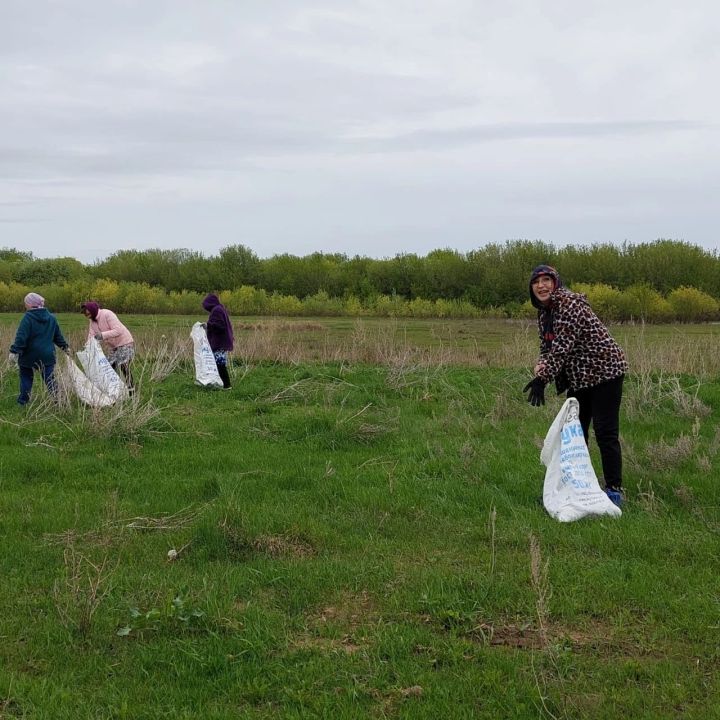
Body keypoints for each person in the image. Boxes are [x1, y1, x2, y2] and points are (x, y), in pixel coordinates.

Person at [524, 265, 628, 507]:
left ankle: (614, 490)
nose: (542, 285)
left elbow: (562, 348)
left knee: (605, 432)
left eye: (547, 280)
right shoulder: (544, 312)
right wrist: (542, 365)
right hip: (580, 378)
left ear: (556, 283)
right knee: (573, 434)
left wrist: (543, 379)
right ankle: (576, 487)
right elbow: (548, 348)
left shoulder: (570, 304)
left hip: (606, 372)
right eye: (536, 281)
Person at [9, 292, 70, 406]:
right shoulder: (51, 317)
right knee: (50, 379)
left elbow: (21, 337)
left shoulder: (28, 318)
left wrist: (14, 351)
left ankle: (23, 401)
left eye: (25, 303)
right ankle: (58, 400)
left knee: (26, 377)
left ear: (30, 304)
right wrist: (65, 347)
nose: (25, 305)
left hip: (29, 355)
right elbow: (57, 336)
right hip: (47, 355)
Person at [80, 301, 135, 392]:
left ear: (93, 310)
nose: (88, 316)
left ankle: (131, 390)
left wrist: (102, 335)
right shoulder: (92, 321)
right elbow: (91, 334)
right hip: (113, 347)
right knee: (109, 367)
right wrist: (87, 347)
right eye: (86, 315)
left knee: (123, 365)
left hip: (125, 342)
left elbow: (118, 330)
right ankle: (115, 390)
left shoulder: (107, 314)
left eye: (88, 314)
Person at [201, 293, 234, 390]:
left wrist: (208, 325)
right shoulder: (219, 309)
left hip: (220, 342)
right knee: (219, 363)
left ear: (209, 303)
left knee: (219, 364)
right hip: (222, 341)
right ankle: (223, 384)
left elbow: (220, 326)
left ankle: (227, 386)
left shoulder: (216, 310)